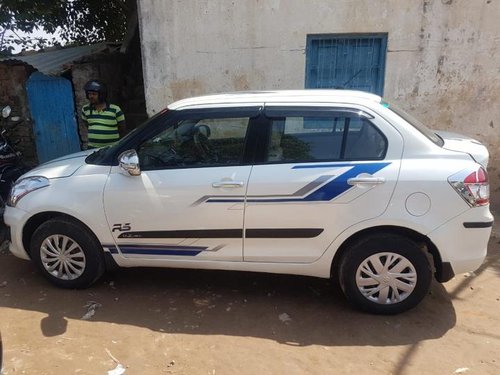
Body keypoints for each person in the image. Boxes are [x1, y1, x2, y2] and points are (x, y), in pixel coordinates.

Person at [81, 80, 126, 149]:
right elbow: (87, 125)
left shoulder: (115, 109)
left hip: (112, 148)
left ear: (102, 95)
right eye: (89, 94)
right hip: (92, 148)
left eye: (94, 94)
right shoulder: (85, 109)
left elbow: (122, 128)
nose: (91, 96)